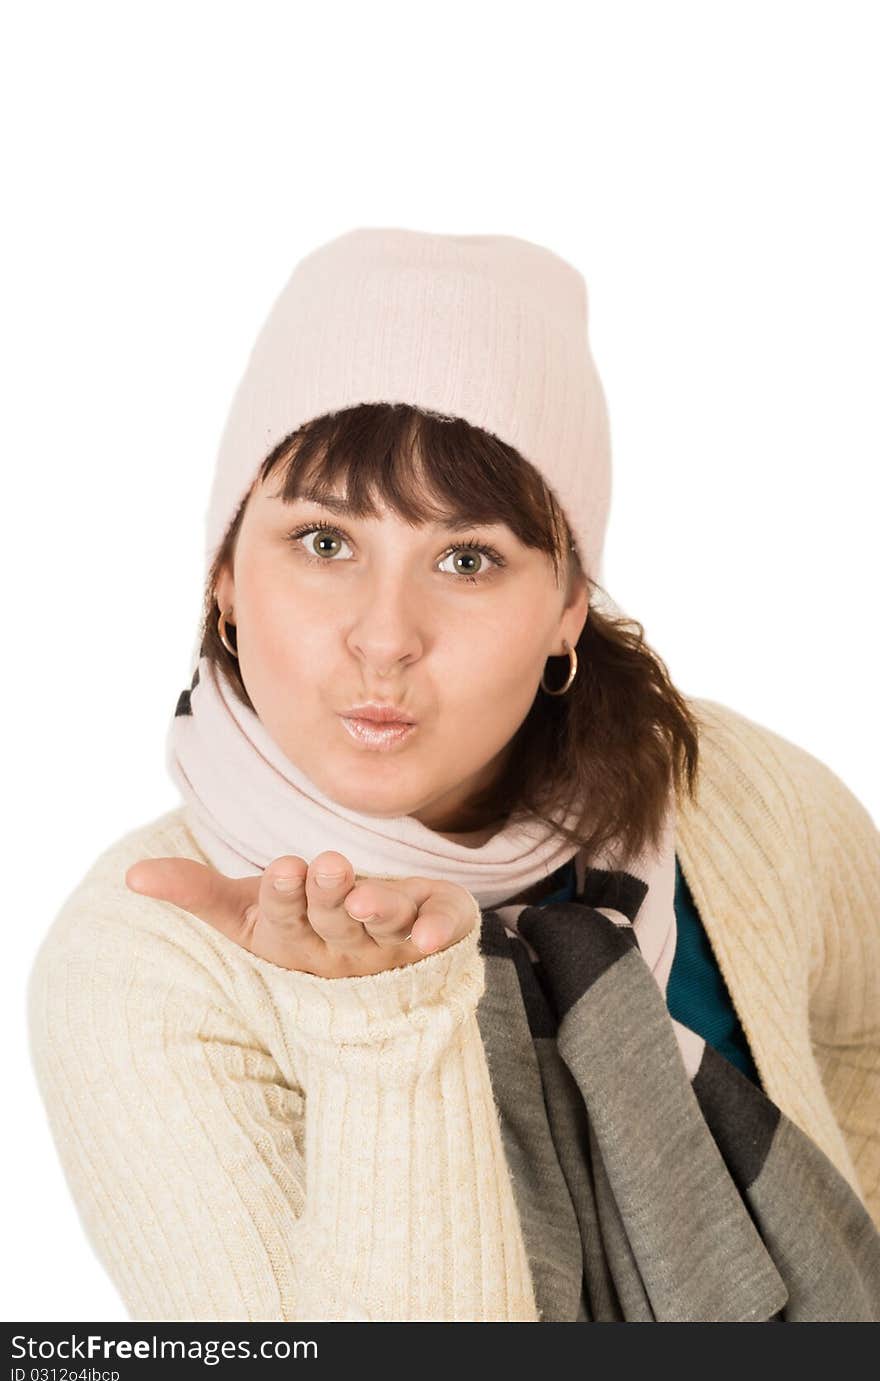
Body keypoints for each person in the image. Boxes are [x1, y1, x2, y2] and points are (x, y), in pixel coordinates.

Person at [26, 228, 880, 1322]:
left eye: (466, 559)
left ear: (569, 604)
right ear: (227, 579)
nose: (385, 639)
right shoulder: (142, 966)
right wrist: (377, 1030)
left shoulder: (720, 789)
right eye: (324, 543)